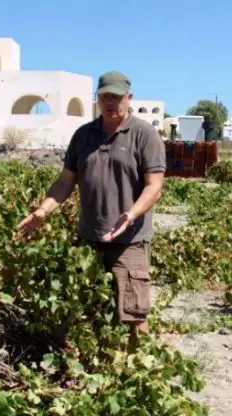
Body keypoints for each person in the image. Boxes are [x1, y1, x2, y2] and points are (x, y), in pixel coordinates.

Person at [16, 70, 166, 349]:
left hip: (129, 241)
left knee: (134, 312)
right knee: (83, 307)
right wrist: (43, 211)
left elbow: (154, 186)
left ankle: (140, 372)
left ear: (129, 98)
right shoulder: (83, 136)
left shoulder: (145, 135)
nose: (110, 102)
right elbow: (65, 182)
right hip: (88, 238)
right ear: (97, 98)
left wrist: (131, 215)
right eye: (104, 96)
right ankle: (87, 366)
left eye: (116, 97)